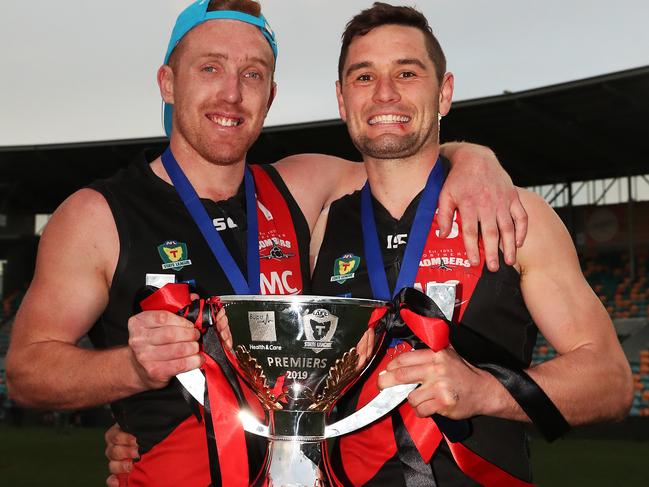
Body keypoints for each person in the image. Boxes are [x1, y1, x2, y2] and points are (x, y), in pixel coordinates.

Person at [6, 1, 525, 486]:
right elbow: (28, 372)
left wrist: (478, 159)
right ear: (168, 82)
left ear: (270, 94)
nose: (232, 93)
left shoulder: (300, 187)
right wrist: (131, 369)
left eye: (252, 74)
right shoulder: (97, 215)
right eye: (209, 68)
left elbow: (400, 150)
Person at [306, 4, 632, 486]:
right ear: (341, 98)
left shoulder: (518, 216)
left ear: (445, 93)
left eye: (407, 72)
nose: (385, 93)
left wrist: (485, 390)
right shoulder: (321, 225)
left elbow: (611, 380)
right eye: (363, 76)